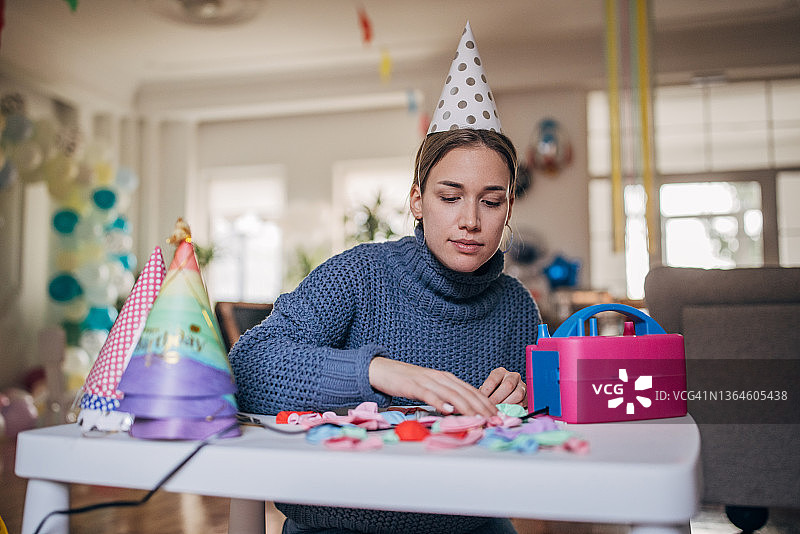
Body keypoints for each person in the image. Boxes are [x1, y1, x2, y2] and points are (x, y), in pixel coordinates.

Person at [229, 22, 540, 534]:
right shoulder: (359, 274)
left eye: (491, 201)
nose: (470, 220)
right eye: (449, 196)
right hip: (337, 523)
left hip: (470, 524)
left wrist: (524, 397)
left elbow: (530, 439)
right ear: (417, 200)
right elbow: (250, 367)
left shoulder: (515, 307)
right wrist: (382, 372)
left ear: (508, 209)